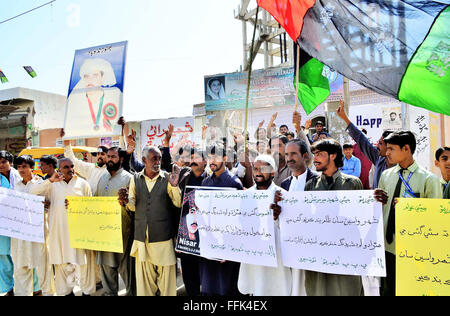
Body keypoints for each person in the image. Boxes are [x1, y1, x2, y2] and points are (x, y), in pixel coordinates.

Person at [373, 131, 442, 297]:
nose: (386, 152)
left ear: (406, 149)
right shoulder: (386, 176)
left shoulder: (428, 180)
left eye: (391, 149)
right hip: (387, 249)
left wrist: (413, 209)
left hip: (413, 253)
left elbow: (436, 220)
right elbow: (380, 211)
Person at [119, 146, 182, 296]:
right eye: (154, 158)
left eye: (159, 158)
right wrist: (125, 201)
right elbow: (133, 207)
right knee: (145, 287)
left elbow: (178, 203)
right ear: (144, 160)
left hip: (163, 241)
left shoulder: (167, 178)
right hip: (142, 240)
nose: (158, 162)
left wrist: (174, 186)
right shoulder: (135, 179)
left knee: (167, 287)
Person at [305, 139, 364, 296]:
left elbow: (361, 219)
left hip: (346, 254)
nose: (315, 158)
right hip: (319, 253)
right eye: (314, 154)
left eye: (319, 154)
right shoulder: (310, 185)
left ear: (333, 156)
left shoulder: (352, 184)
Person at [34, 158, 97, 296]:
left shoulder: (83, 184)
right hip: (59, 236)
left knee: (84, 268)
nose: (70, 169)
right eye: (66, 167)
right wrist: (50, 180)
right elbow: (33, 192)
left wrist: (79, 206)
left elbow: (92, 208)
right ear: (59, 169)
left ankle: (86, 292)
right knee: (62, 270)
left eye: (72, 166)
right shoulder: (51, 185)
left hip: (80, 236)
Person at [238, 155, 292, 296]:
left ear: (273, 172)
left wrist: (276, 218)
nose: (258, 172)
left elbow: (291, 231)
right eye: (255, 168)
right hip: (253, 256)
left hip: (276, 259)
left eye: (263, 168)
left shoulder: (283, 196)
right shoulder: (246, 195)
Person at [199, 144, 243, 296]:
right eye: (209, 157)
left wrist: (228, 248)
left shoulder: (234, 183)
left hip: (226, 247)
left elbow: (237, 220)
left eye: (216, 157)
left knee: (226, 287)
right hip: (208, 244)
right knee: (208, 287)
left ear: (225, 158)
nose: (212, 161)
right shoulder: (205, 183)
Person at [10, 156, 54, 296]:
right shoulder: (16, 186)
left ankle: (47, 293)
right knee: (21, 266)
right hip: (21, 234)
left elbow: (49, 203)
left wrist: (45, 205)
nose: (21, 170)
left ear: (32, 167)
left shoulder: (42, 183)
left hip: (37, 231)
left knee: (42, 265)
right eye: (19, 167)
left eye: (24, 166)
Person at [280, 140, 319, 296]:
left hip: (312, 244)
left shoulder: (317, 181)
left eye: (293, 154)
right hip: (290, 245)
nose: (289, 158)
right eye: (287, 154)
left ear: (304, 156)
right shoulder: (284, 184)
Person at [95, 147, 135, 296]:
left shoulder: (129, 178)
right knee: (107, 276)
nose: (110, 159)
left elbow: (135, 204)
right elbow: (94, 202)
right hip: (105, 236)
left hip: (123, 235)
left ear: (121, 159)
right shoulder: (102, 178)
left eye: (113, 157)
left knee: (129, 277)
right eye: (108, 157)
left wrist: (126, 201)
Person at [336, 100, 394, 188]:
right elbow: (362, 139)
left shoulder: (401, 168)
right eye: (378, 143)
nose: (377, 146)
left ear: (390, 147)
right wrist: (345, 118)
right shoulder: (379, 158)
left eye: (380, 144)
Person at [65, 58, 122, 137]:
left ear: (102, 78)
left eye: (95, 75)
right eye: (86, 76)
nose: (90, 80)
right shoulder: (74, 103)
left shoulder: (114, 96)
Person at [62, 128, 109, 195]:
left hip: (107, 203)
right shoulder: (91, 168)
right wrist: (67, 145)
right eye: (98, 154)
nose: (99, 156)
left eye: (102, 154)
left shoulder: (111, 170)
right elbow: (74, 162)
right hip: (91, 202)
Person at [0, 151, 21, 296]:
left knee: (21, 255)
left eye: (3, 162)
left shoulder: (20, 175)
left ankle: (28, 287)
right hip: (2, 224)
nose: (0, 165)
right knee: (4, 256)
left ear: (10, 162)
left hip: (20, 223)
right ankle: (9, 288)